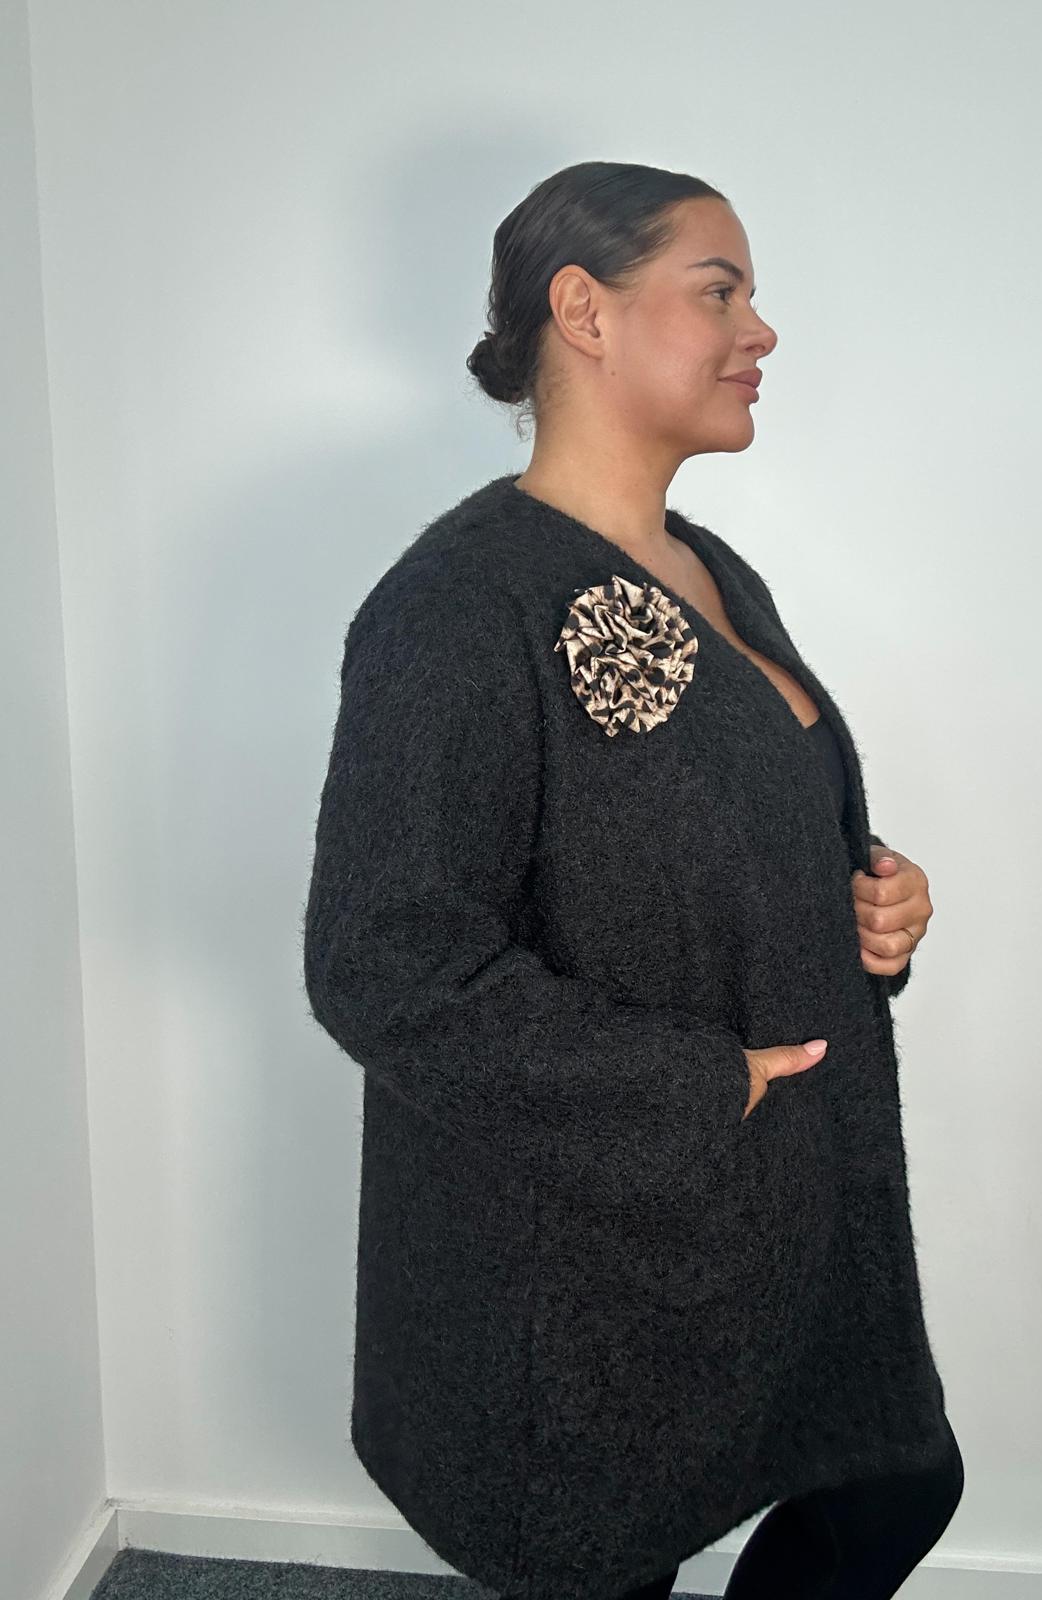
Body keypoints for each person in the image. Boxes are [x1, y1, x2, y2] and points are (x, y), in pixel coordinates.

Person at [303, 159, 959, 1600]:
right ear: (585, 312)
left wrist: (872, 908)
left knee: (894, 1480)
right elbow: (385, 964)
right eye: (718, 291)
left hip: (776, 1202)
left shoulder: (708, 566)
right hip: (586, 1246)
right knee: (611, 1556)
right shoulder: (458, 606)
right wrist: (693, 1088)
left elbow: (716, 831)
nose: (760, 330)